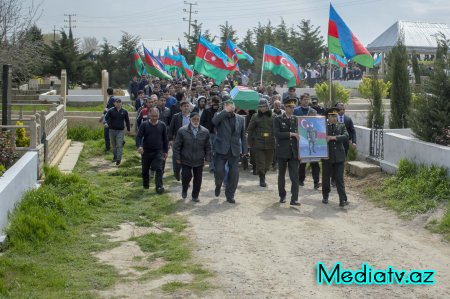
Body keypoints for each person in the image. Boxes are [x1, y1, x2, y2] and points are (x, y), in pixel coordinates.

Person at [212, 99, 247, 203]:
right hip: (221, 149)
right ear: (224, 107)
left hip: (234, 150)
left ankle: (230, 195)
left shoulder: (240, 119)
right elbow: (214, 122)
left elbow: (243, 135)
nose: (230, 107)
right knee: (219, 172)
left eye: (231, 105)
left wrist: (244, 150)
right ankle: (218, 185)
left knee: (234, 174)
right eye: (227, 105)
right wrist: (224, 111)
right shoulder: (220, 115)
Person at [173, 112, 211, 202]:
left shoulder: (205, 131)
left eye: (198, 119)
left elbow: (208, 146)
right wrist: (177, 158)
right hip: (186, 158)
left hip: (199, 159)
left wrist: (207, 158)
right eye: (194, 119)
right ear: (190, 119)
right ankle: (184, 189)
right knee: (186, 176)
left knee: (198, 179)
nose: (196, 121)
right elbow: (177, 146)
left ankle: (195, 196)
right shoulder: (182, 131)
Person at [273, 97, 300, 205]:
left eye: (293, 107)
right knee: (282, 175)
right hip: (282, 151)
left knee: (294, 176)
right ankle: (282, 196)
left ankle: (294, 198)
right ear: (285, 107)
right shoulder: (278, 119)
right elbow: (277, 134)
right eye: (290, 107)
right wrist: (291, 134)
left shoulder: (296, 119)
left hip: (294, 151)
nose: (292, 109)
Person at [322, 108, 349, 207]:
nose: (334, 118)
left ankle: (343, 199)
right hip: (327, 156)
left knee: (339, 178)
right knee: (326, 178)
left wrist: (333, 138)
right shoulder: (323, 127)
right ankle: (325, 196)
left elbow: (346, 136)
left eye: (335, 116)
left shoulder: (341, 125)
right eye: (332, 116)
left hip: (339, 157)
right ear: (328, 117)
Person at [137, 108, 168, 193]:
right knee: (145, 170)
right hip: (146, 151)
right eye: (153, 116)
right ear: (149, 115)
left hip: (158, 151)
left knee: (159, 169)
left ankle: (159, 187)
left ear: (159, 115)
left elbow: (165, 139)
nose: (154, 118)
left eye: (156, 116)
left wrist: (165, 151)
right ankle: (146, 185)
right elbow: (139, 137)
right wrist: (140, 146)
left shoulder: (162, 125)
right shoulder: (144, 124)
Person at [294, 94, 321, 189]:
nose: (306, 101)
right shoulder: (296, 111)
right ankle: (300, 180)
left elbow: (317, 124)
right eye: (304, 99)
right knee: (302, 162)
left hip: (312, 137)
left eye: (307, 99)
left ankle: (316, 182)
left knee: (315, 163)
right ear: (300, 100)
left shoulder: (313, 111)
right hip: (302, 140)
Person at [247, 98, 275, 187]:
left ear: (267, 106)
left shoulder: (273, 116)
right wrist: (249, 142)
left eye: (264, 106)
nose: (262, 108)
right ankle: (262, 179)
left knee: (268, 162)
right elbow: (250, 129)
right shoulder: (255, 116)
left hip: (270, 142)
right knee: (260, 162)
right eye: (261, 107)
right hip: (258, 142)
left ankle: (264, 173)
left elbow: (277, 129)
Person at [169, 100, 191, 181]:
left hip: (189, 141)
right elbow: (171, 129)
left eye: (187, 106)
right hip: (178, 140)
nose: (186, 108)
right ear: (181, 107)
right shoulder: (176, 116)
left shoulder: (192, 116)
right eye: (184, 106)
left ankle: (185, 177)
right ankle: (177, 172)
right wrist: (170, 139)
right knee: (176, 157)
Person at [104, 98, 131, 165]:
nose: (118, 103)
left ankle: (118, 158)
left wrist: (128, 129)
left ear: (121, 103)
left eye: (119, 102)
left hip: (120, 131)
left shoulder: (124, 111)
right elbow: (105, 118)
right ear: (114, 103)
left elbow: (127, 121)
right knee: (114, 145)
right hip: (111, 130)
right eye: (117, 102)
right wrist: (105, 123)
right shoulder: (111, 110)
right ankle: (115, 156)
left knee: (119, 145)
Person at [102, 87, 116, 152]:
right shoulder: (114, 98)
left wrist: (106, 110)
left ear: (107, 93)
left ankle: (108, 148)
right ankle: (120, 142)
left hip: (109, 120)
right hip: (113, 119)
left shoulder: (111, 99)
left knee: (106, 134)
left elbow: (110, 110)